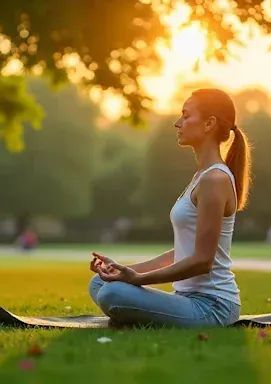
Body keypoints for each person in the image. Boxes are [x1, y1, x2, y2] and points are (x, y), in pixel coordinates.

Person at [88, 88, 251, 328]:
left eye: (186, 116)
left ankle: (137, 313)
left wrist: (139, 279)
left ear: (209, 123)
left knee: (112, 294)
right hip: (187, 299)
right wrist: (125, 271)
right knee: (99, 284)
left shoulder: (214, 180)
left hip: (212, 306)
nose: (178, 123)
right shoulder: (201, 177)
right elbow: (182, 252)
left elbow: (202, 261)